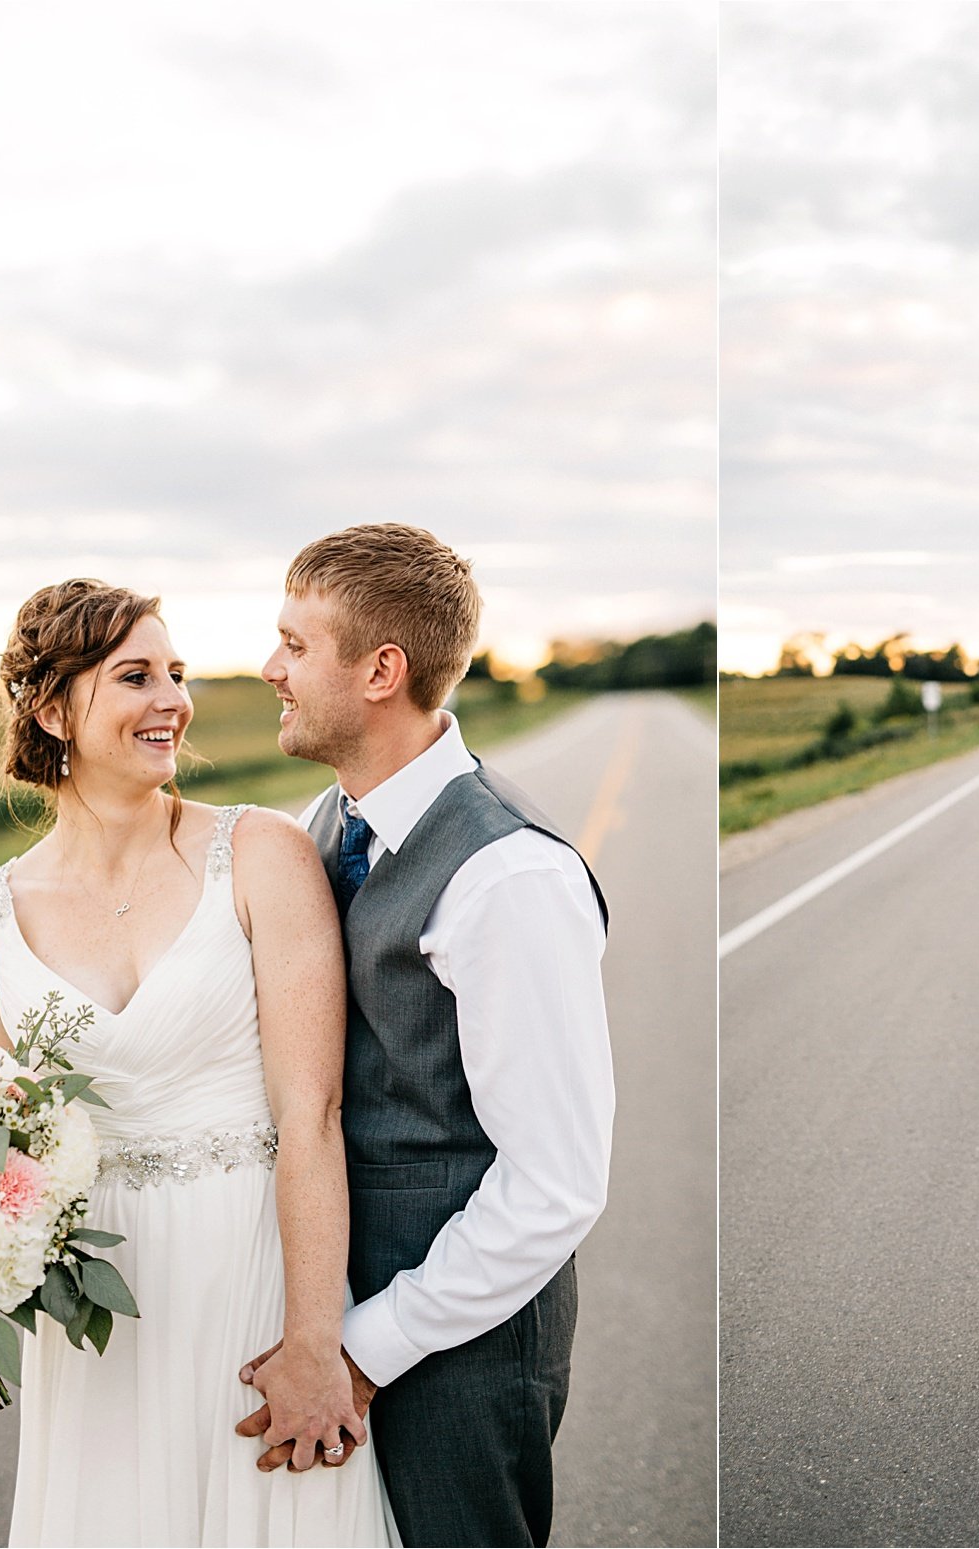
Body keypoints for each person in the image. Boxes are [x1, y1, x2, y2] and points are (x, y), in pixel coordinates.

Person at [0, 579, 395, 1546]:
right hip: (104, 1321)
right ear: (52, 708)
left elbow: (313, 1115)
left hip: (256, 1274)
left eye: (177, 675)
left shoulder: (262, 855)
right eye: (136, 676)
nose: (174, 702)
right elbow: (10, 1165)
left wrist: (319, 1340)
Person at [234, 524, 614, 1548]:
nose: (270, 669)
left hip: (459, 1350)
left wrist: (361, 1352)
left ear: (380, 671)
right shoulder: (325, 823)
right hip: (343, 1315)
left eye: (294, 646)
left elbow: (555, 1184)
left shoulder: (507, 877)